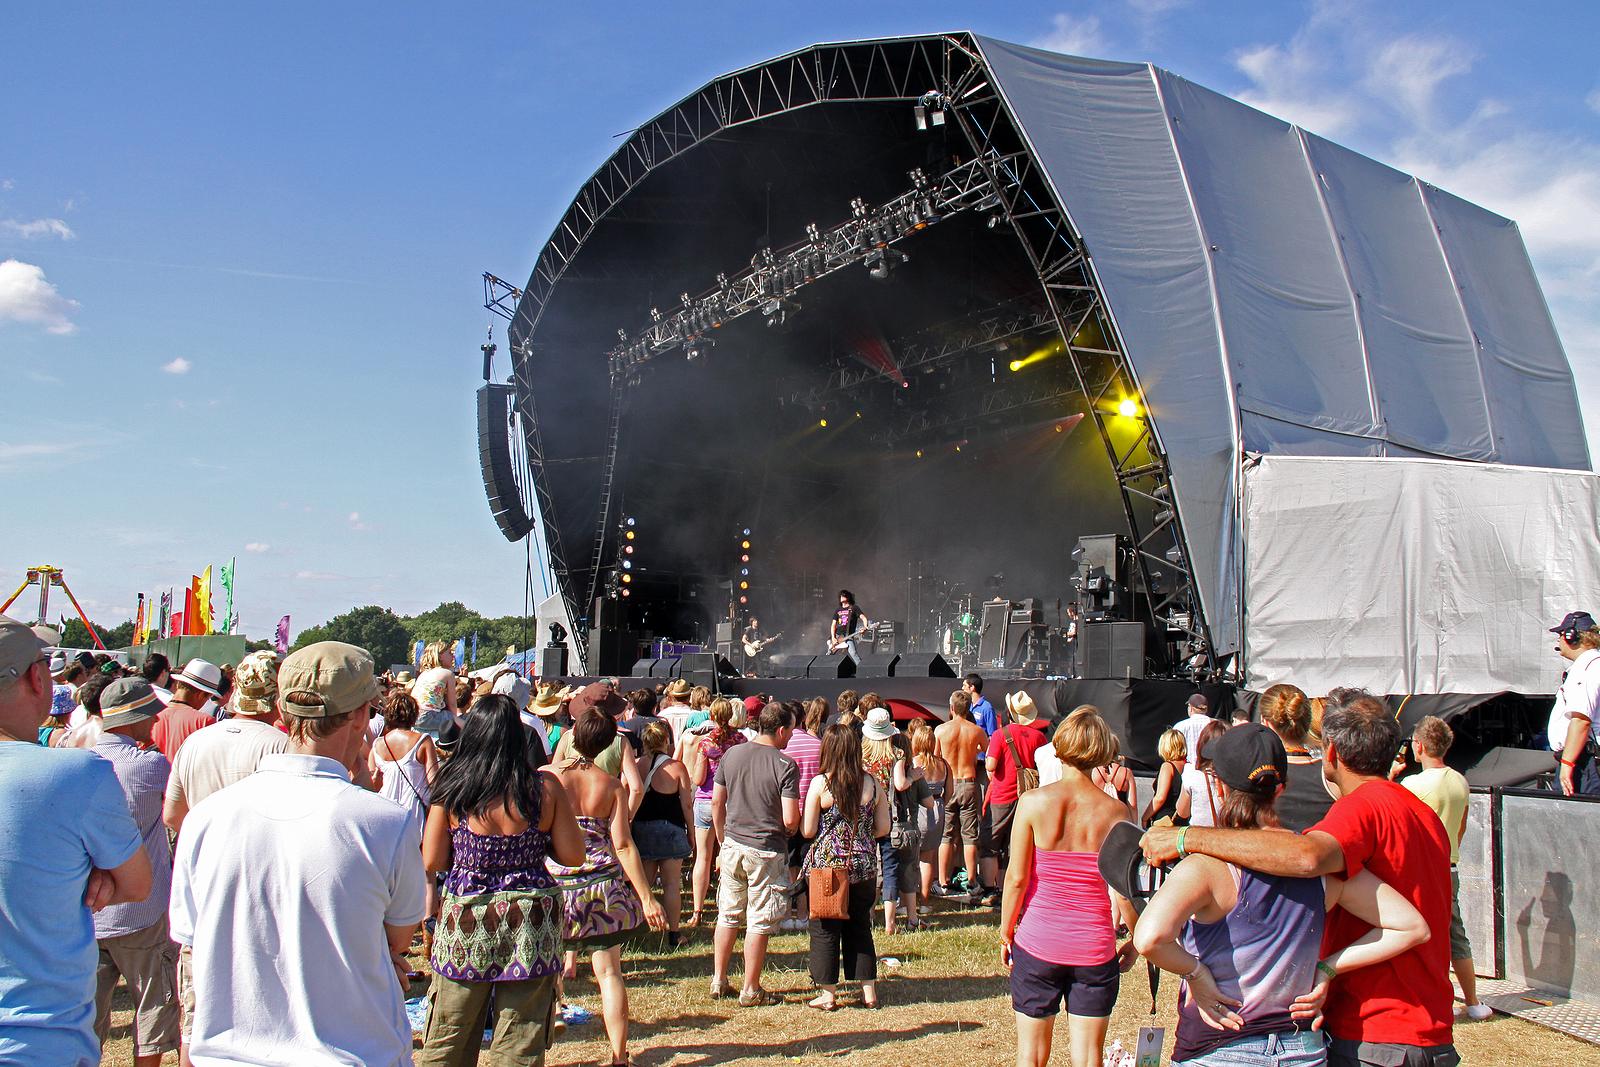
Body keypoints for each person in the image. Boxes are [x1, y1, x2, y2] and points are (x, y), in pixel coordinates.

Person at [1142, 689, 1457, 1067]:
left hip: (1372, 1029)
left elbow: (1306, 858)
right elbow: (1412, 925)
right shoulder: (1423, 814)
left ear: (1332, 754)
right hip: (1419, 1030)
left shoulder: (1356, 814)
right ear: (1282, 786)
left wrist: (1185, 837)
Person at [169, 641, 427, 1065]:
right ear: (362, 715)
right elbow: (397, 938)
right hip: (352, 1051)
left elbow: (195, 939)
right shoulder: (385, 823)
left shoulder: (206, 818)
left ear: (282, 712)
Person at [0, 616, 152, 1067]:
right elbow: (136, 884)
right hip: (38, 1041)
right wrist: (91, 869)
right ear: (37, 677)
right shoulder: (76, 775)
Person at [418, 694, 584, 1067]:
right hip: (530, 917)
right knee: (521, 1037)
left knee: (451, 1030)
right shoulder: (543, 788)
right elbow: (573, 856)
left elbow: (431, 859)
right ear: (517, 736)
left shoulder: (453, 786)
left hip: (466, 917)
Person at [1001, 707, 1139, 1067]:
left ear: (1059, 747)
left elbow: (1017, 878)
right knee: (1089, 1057)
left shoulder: (1032, 803)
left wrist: (1006, 931)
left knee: (1030, 1056)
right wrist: (1137, 941)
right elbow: (1122, 890)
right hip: (1094, 946)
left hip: (1038, 941)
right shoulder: (1116, 813)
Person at [547, 708, 667, 1066]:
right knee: (610, 974)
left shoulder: (546, 778)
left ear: (573, 734)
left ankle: (549, 1021)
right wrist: (647, 898)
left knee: (547, 966)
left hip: (554, 884)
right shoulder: (611, 785)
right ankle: (618, 1055)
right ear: (605, 745)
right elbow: (624, 845)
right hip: (601, 887)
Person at [91, 678, 181, 1067]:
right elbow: (176, 809)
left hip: (89, 911)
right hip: (142, 910)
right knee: (152, 1015)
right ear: (135, 719)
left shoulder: (80, 762)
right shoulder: (150, 764)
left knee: (88, 1015)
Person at [711, 700, 800, 1006]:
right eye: (790, 729)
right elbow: (790, 819)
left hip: (733, 844)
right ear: (780, 729)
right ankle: (750, 988)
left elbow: (716, 803)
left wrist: (722, 842)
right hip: (765, 848)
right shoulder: (785, 765)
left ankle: (719, 979)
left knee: (728, 914)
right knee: (759, 919)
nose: (791, 735)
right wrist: (788, 829)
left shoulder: (732, 754)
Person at [1403, 715, 1490, 1022]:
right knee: (1455, 933)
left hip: (1421, 870)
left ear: (1420, 746)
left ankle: (1425, 997)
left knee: (1419, 934)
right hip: (1449, 866)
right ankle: (1473, 1000)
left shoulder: (1411, 784)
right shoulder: (1459, 781)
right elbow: (1462, 827)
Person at [801, 724, 891, 1011]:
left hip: (828, 870)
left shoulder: (822, 784)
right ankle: (869, 992)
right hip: (864, 866)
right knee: (860, 925)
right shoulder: (873, 783)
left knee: (826, 927)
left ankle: (828, 994)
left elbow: (807, 830)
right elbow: (883, 828)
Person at [163, 649, 288, 835]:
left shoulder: (194, 741)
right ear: (280, 694)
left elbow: (172, 817)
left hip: (202, 857)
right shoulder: (284, 747)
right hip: (254, 860)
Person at [631, 719, 695, 947]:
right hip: (671, 828)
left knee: (643, 884)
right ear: (666, 741)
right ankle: (674, 934)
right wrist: (692, 832)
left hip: (642, 828)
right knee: (671, 884)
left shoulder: (636, 764)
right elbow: (687, 804)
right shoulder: (677, 768)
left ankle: (635, 931)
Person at [685, 696, 747, 927]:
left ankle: (697, 911)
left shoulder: (705, 743)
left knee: (703, 857)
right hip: (732, 803)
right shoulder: (740, 740)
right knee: (731, 856)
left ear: (711, 716)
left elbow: (699, 779)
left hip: (705, 802)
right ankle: (730, 908)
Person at [986, 691, 1051, 878]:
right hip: (1028, 797)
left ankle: (991, 888)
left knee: (991, 843)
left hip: (1002, 795)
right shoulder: (1039, 737)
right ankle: (1011, 884)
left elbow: (990, 765)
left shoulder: (1000, 734)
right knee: (1016, 845)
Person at [861, 707, 915, 933]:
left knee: (868, 866)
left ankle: (868, 913)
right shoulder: (897, 754)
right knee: (890, 867)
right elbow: (901, 784)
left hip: (865, 815)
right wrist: (914, 776)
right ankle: (890, 923)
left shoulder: (860, 752)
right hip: (890, 815)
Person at [936, 688, 990, 898]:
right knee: (969, 835)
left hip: (949, 784)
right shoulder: (976, 731)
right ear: (969, 709)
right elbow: (989, 753)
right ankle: (971, 880)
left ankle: (943, 881)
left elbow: (936, 759)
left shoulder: (941, 730)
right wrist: (973, 755)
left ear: (951, 708)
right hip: (969, 782)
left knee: (946, 835)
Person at [1259, 683, 1334, 831]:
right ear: (1308, 721)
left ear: (1265, 723)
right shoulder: (1331, 773)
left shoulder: (1258, 775)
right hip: (1320, 851)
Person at [1544, 611, 1600, 795]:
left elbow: (1581, 720)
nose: (1558, 640)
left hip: (1585, 761)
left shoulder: (1587, 668)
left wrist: (1567, 764)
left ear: (1572, 636)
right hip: (1581, 757)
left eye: (1561, 635)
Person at [782, 697, 826, 930]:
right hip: (812, 813)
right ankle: (805, 912)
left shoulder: (783, 745)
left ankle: (788, 912)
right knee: (808, 862)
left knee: (790, 864)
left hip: (788, 813)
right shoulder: (817, 744)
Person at [370, 688, 437, 825]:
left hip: (385, 809)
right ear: (413, 715)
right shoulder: (423, 741)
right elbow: (434, 781)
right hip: (414, 812)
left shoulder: (377, 745)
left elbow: (372, 782)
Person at [909, 718, 951, 902]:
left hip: (917, 812)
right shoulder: (943, 764)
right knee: (927, 859)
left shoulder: (912, 763)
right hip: (937, 811)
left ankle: (907, 901)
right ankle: (924, 900)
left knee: (910, 859)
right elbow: (949, 793)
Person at [152, 660, 222, 761]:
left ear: (177, 684)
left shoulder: (151, 716)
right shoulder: (204, 722)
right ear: (202, 695)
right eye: (208, 698)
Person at [1176, 721, 1228, 828]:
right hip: (1229, 838)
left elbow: (1182, 812)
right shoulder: (1239, 776)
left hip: (1198, 837)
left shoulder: (1192, 774)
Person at [412, 640, 459, 737]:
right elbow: (452, 703)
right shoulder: (448, 674)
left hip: (413, 715)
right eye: (449, 653)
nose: (453, 656)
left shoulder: (423, 674)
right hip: (428, 716)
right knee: (460, 722)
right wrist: (454, 719)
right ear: (440, 656)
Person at [1142, 729, 1187, 827]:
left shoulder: (1167, 766)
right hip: (1182, 821)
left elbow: (1160, 798)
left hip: (1165, 821)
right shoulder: (1189, 766)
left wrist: (1145, 817)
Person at [1173, 692, 1214, 764]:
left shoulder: (1180, 726)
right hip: (1210, 769)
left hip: (1187, 769)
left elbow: (1173, 750)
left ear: (1190, 708)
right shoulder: (1216, 724)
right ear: (1206, 709)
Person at [829, 589, 869, 659]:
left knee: (853, 654)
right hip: (837, 636)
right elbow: (833, 625)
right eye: (840, 596)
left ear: (848, 597)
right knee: (830, 655)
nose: (841, 597)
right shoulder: (838, 610)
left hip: (848, 636)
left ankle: (861, 669)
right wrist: (833, 637)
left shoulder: (854, 608)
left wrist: (865, 627)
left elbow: (864, 618)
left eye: (843, 595)